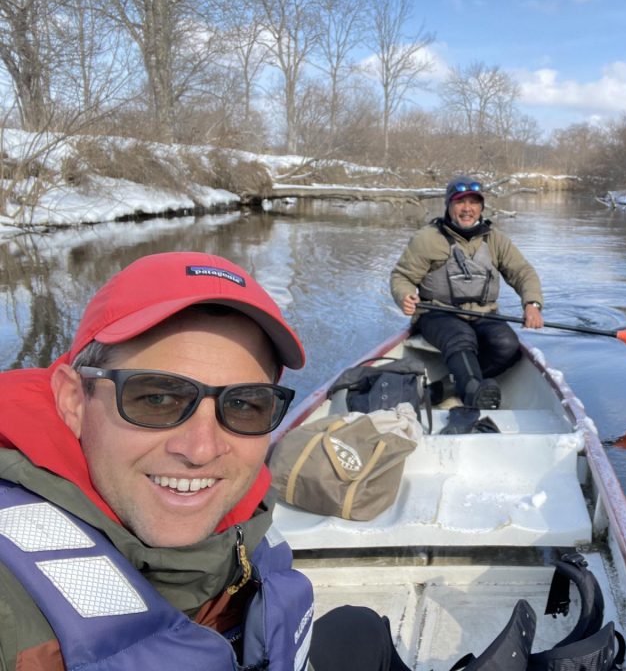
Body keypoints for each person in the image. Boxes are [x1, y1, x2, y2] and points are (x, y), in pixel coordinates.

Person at [0, 252, 400, 671]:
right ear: (74, 400)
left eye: (244, 404)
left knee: (362, 627)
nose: (202, 450)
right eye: (157, 398)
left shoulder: (244, 523)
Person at [390, 175, 544, 409]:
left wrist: (532, 304)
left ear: (481, 207)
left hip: (484, 313)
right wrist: (405, 295)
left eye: (474, 203)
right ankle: (473, 392)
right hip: (437, 313)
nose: (467, 209)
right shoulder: (427, 239)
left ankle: (447, 388)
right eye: (460, 202)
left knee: (507, 344)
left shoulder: (495, 240)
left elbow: (522, 271)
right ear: (449, 205)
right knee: (462, 337)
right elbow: (402, 276)